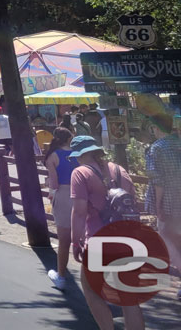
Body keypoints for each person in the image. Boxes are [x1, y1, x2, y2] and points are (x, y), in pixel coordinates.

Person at [69, 135, 144, 330]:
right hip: (127, 239)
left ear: (81, 155)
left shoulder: (80, 173)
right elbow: (132, 202)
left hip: (98, 241)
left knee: (91, 289)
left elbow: (79, 212)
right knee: (129, 297)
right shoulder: (119, 170)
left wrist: (75, 243)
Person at [146, 111, 181, 291]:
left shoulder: (156, 148)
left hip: (168, 203)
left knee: (168, 240)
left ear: (155, 128)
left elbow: (158, 182)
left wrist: (158, 206)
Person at [42, 127, 77, 290]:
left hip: (63, 195)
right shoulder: (79, 153)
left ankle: (61, 276)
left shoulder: (53, 156)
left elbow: (54, 184)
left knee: (64, 240)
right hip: (81, 194)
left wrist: (48, 184)